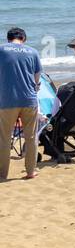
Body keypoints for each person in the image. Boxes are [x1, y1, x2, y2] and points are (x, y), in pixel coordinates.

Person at [0, 27, 42, 181]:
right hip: (29, 99)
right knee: (31, 137)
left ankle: (2, 174)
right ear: (23, 38)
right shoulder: (32, 52)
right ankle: (30, 171)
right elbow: (37, 77)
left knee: (4, 138)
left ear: (8, 38)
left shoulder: (1, 49)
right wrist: (35, 87)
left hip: (7, 100)